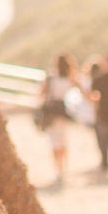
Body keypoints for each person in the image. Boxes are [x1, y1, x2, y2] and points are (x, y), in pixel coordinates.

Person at [38, 53, 77, 187]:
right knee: (63, 139)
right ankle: (64, 167)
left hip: (51, 113)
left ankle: (58, 169)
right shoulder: (69, 77)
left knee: (54, 141)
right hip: (63, 111)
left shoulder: (50, 77)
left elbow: (41, 93)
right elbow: (78, 90)